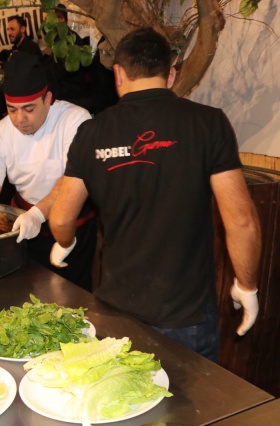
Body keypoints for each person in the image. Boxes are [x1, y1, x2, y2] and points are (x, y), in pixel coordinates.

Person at [49, 27, 261, 362]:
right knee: (192, 398)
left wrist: (65, 242)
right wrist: (247, 286)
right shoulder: (208, 123)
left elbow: (61, 218)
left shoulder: (91, 133)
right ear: (171, 75)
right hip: (185, 316)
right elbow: (242, 221)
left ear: (118, 74)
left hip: (115, 313)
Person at [0, 52, 96, 290]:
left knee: (72, 294)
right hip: (24, 225)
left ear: (48, 99)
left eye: (29, 109)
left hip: (72, 223)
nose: (20, 119)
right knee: (26, 293)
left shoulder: (75, 120)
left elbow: (70, 179)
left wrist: (38, 214)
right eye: (12, 109)